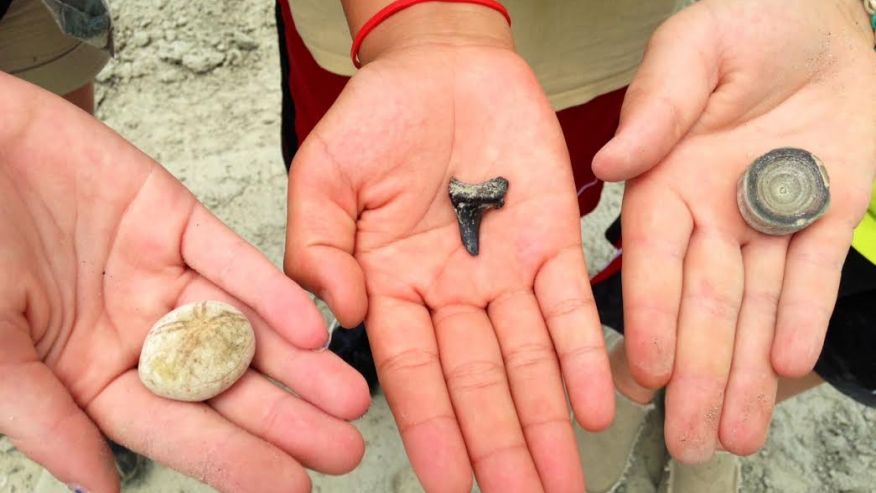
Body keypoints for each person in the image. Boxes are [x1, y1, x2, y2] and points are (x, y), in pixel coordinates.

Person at [276, 0, 876, 491]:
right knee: (374, 230)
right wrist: (421, 22)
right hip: (372, 35)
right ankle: (366, 328)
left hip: (598, 57)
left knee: (562, 189)